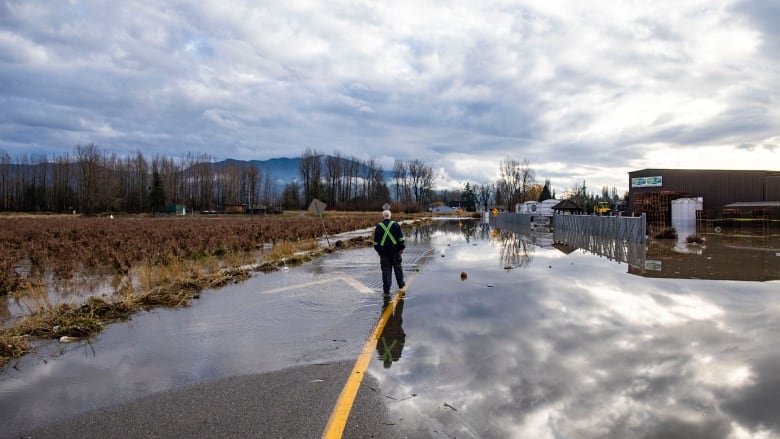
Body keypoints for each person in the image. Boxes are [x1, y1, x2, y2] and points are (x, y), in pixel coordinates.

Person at [373, 209, 405, 295]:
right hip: (395, 252)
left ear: (383, 216)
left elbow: (375, 242)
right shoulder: (396, 225)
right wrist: (401, 248)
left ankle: (386, 289)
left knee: (386, 270)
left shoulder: (379, 226)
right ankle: (401, 285)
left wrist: (378, 250)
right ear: (390, 216)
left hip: (384, 253)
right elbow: (401, 239)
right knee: (398, 268)